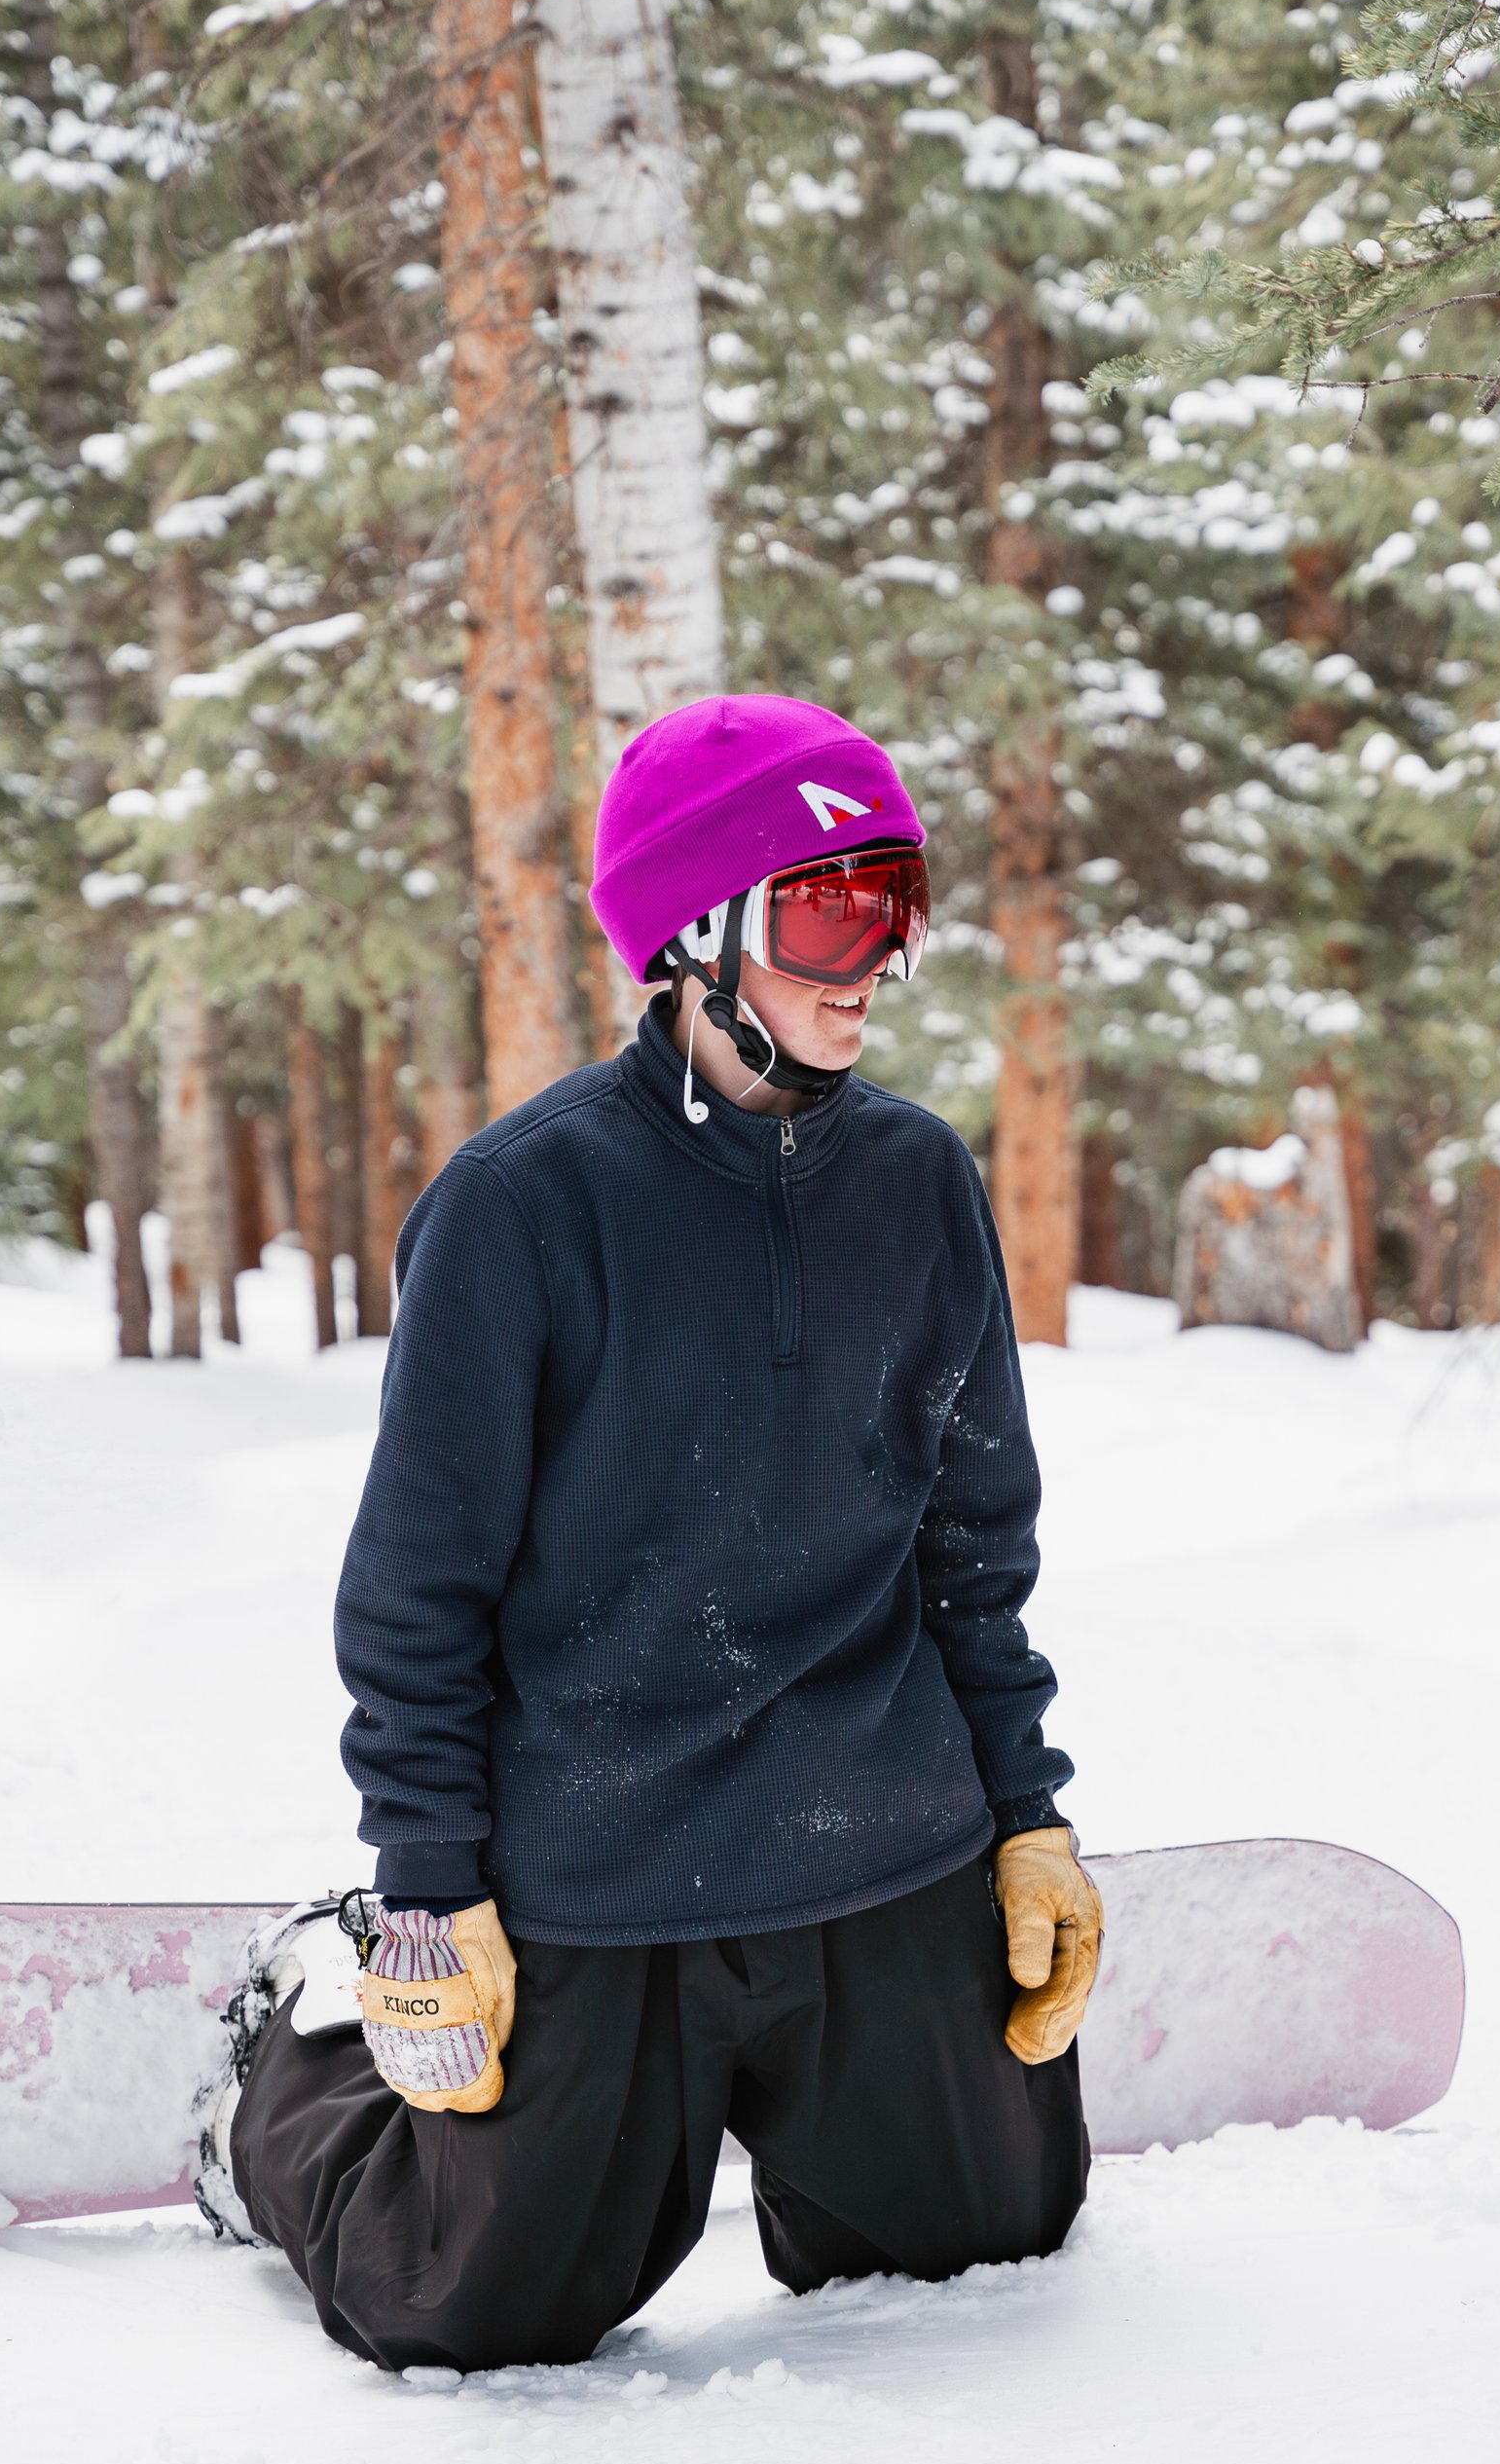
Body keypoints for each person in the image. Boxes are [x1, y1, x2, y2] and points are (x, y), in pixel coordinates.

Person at [204, 690, 1100, 2374]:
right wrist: (428, 1891)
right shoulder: (523, 1207)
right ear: (696, 933)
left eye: (897, 909)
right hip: (607, 1850)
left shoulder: (919, 1185)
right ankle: (291, 2059)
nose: (871, 963)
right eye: (830, 910)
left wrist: (1026, 1820)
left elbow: (979, 1543)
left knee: (993, 2235)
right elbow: (416, 1589)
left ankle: (805, 2102)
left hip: (873, 1822)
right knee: (468, 2304)